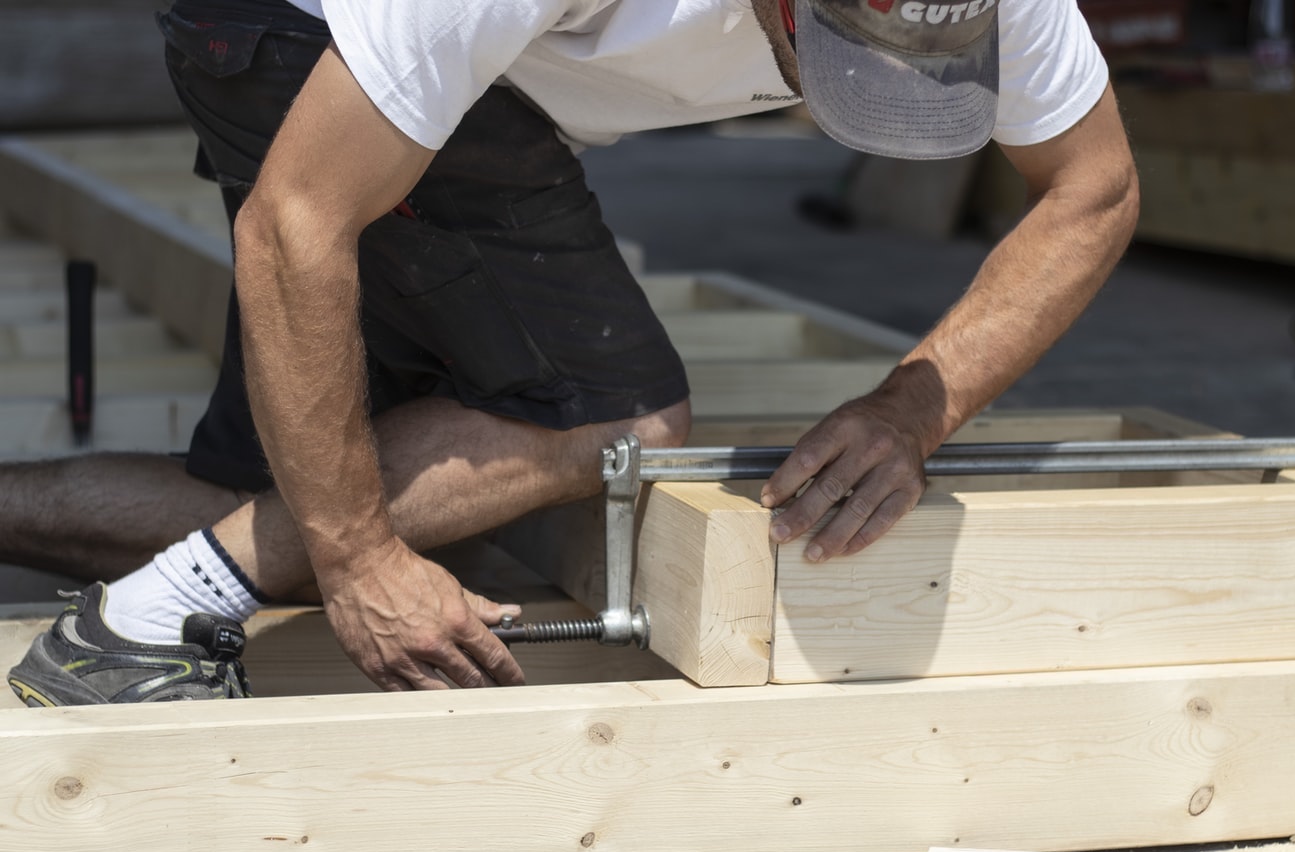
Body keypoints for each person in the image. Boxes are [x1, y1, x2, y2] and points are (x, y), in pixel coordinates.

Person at [4, 0, 1138, 705]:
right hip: (304, 30)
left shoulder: (999, 4)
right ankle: (139, 627)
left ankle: (174, 576)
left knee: (272, 496)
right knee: (608, 418)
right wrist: (359, 566)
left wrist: (911, 411)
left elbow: (1096, 187)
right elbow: (294, 223)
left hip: (455, 72)